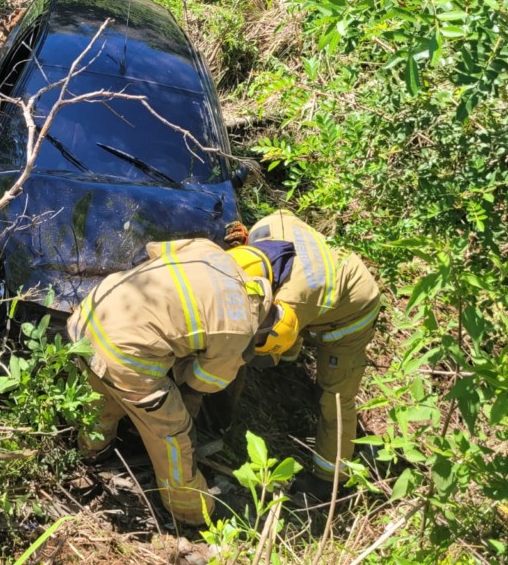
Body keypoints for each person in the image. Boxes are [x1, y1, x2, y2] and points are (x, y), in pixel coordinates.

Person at [66, 237, 275, 526]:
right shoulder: (240, 328)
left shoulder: (212, 252)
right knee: (173, 435)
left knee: (104, 395)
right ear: (262, 324)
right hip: (127, 351)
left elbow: (150, 251)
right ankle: (190, 510)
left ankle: (89, 452)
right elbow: (204, 382)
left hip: (90, 313)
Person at [224, 209, 383, 502]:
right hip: (324, 288)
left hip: (353, 311)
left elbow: (277, 328)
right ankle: (285, 363)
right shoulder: (265, 228)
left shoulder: (296, 300)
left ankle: (330, 479)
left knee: (334, 397)